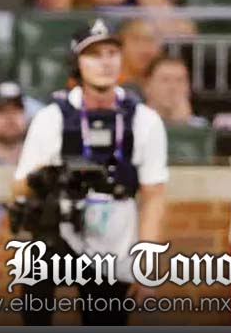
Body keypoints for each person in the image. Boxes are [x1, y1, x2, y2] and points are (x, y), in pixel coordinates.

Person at [11, 19, 168, 326]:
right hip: (60, 229)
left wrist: (147, 260)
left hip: (115, 235)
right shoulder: (51, 117)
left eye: (112, 53)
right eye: (94, 55)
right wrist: (45, 177)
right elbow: (18, 188)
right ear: (76, 63)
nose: (105, 62)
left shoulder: (144, 120)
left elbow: (154, 195)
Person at [142, 55, 208, 128]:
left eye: (180, 80)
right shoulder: (135, 124)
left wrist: (183, 123)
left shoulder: (201, 127)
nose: (173, 87)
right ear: (147, 86)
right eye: (165, 80)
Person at [117, 17, 162, 91]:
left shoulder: (165, 84)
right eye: (136, 40)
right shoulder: (107, 82)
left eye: (150, 40)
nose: (144, 48)